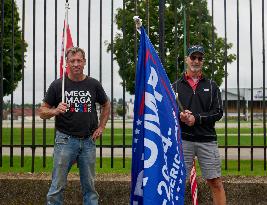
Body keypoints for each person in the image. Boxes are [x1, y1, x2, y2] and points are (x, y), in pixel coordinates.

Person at [40, 47, 111, 205]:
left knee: (90, 187)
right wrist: (55, 110)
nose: (76, 64)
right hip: (65, 140)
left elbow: (106, 104)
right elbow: (42, 111)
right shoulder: (58, 85)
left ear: (84, 62)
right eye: (72, 61)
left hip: (88, 141)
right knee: (57, 186)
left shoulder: (93, 84)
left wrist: (101, 127)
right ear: (67, 63)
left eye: (79, 60)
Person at [173, 45, 226, 205]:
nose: (196, 61)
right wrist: (180, 116)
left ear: (202, 62)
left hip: (207, 140)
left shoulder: (212, 86)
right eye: (193, 57)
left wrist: (196, 118)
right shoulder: (175, 86)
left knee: (215, 182)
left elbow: (218, 112)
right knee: (178, 183)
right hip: (183, 140)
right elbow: (168, 112)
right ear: (186, 59)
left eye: (199, 58)